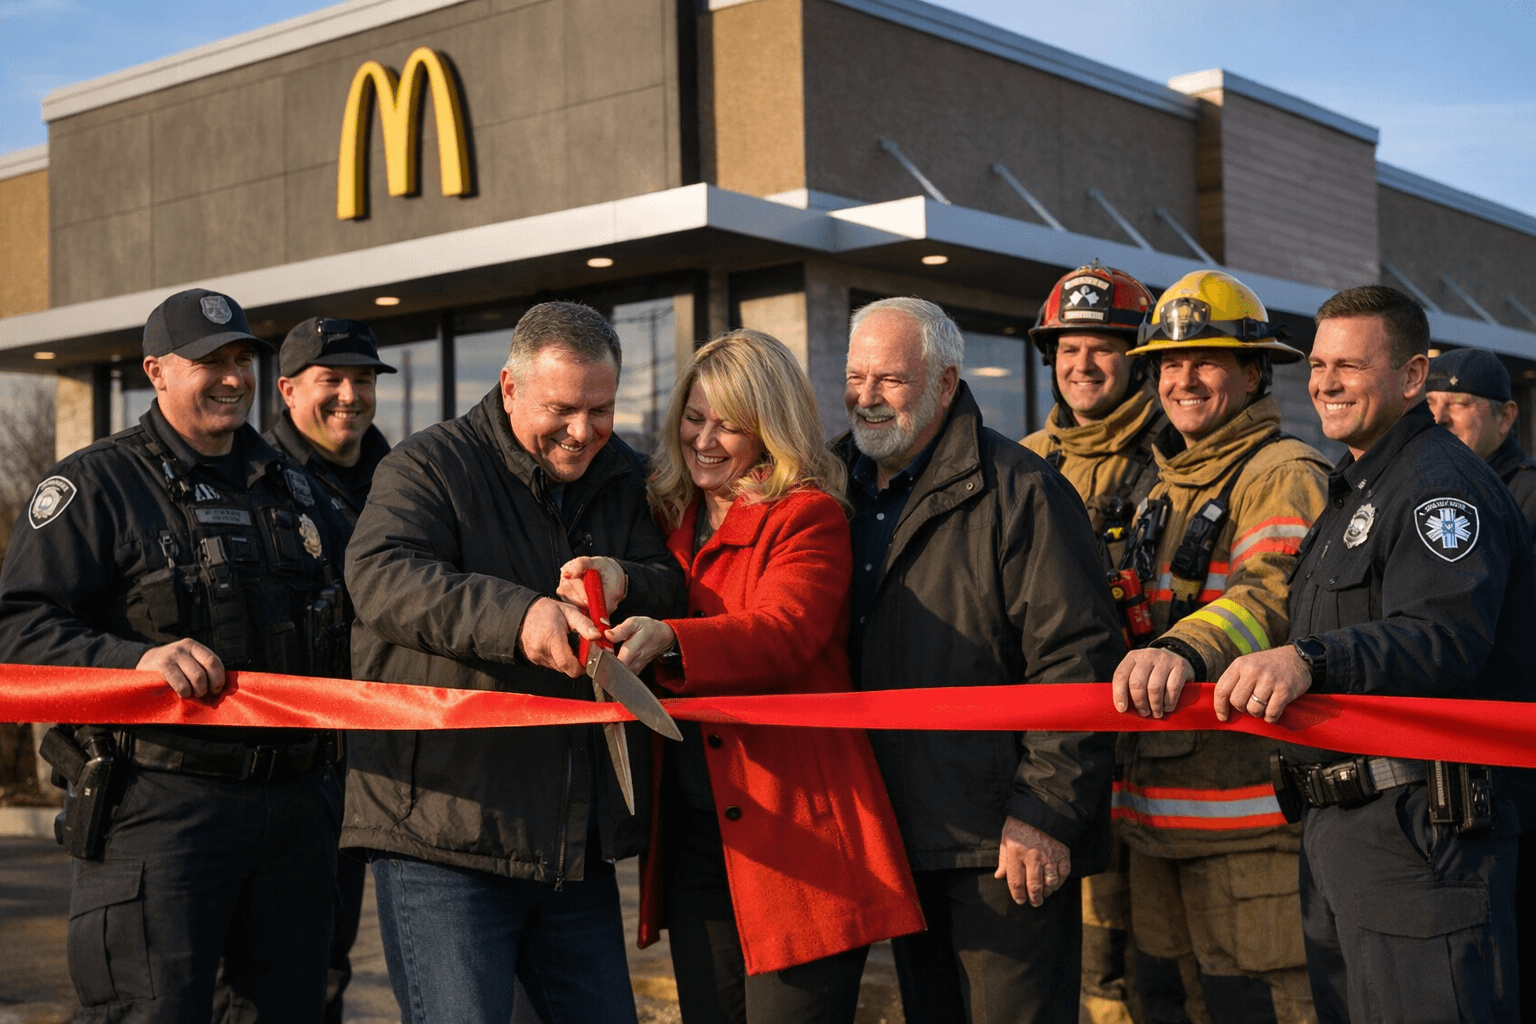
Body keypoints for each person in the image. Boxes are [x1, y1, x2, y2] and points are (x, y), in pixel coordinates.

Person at [0, 288, 349, 1022]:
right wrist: (131, 662)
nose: (231, 377)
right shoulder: (97, 485)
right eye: (208, 362)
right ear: (155, 371)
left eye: (241, 359)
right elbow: (17, 632)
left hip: (294, 810)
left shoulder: (298, 490)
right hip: (160, 807)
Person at [341, 300, 686, 1024]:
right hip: (444, 833)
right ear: (508, 387)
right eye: (562, 409)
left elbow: (670, 573)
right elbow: (380, 576)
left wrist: (630, 580)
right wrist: (517, 617)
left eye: (602, 409)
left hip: (571, 841)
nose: (584, 431)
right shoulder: (428, 465)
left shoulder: (620, 473)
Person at [1214, 285, 1535, 1024]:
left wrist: (1310, 660)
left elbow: (1443, 637)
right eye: (1319, 364)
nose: (1324, 382)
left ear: (1413, 377)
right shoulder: (1357, 488)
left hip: (1422, 839)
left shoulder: (1438, 489)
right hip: (1347, 835)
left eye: (1350, 366)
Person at [586, 328, 925, 1023]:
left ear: (771, 431)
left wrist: (671, 639)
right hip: (696, 838)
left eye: (730, 425)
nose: (704, 439)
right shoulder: (666, 514)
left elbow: (787, 630)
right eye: (693, 416)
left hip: (799, 836)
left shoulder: (808, 514)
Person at [834, 296, 1126, 1024]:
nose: (867, 398)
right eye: (856, 376)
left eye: (891, 380)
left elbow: (1079, 662)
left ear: (944, 380)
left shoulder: (1022, 489)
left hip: (1002, 845)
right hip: (890, 835)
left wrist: (1044, 815)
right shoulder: (826, 487)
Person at [1109, 270, 1328, 1024]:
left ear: (1252, 372)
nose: (1183, 379)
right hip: (1154, 819)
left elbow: (1272, 597)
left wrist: (1182, 651)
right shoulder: (1163, 487)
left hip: (1244, 826)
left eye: (1204, 361)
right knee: (1163, 1004)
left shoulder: (1283, 474)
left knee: (1258, 1008)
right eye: (1169, 364)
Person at [1022, 261, 1164, 1024]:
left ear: (1135, 354)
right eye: (1069, 348)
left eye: (1103, 347)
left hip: (1162, 757)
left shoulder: (1179, 450)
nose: (1083, 365)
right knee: (1085, 963)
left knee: (1166, 964)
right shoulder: (1018, 459)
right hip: (1060, 759)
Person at [264, 316, 395, 1024]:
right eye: (331, 380)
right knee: (275, 970)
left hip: (374, 763)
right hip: (281, 769)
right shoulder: (252, 480)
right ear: (287, 390)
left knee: (331, 963)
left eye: (364, 379)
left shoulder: (404, 479)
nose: (350, 395)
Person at [1425, 347, 1536, 541]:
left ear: (1504, 417)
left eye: (1459, 403)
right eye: (1429, 403)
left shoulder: (1529, 497)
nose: (1438, 417)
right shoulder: (1414, 485)